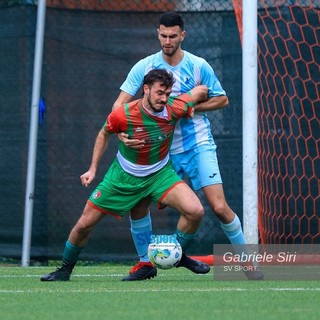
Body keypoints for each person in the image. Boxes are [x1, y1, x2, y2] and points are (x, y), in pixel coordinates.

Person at [114, 12, 263, 281]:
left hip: (198, 145)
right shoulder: (145, 66)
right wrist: (120, 133)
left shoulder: (198, 65)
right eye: (163, 35)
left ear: (182, 35)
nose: (167, 41)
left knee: (219, 207)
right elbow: (119, 105)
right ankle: (145, 264)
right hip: (162, 150)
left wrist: (191, 107)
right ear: (157, 33)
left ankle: (247, 264)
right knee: (138, 204)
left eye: (173, 36)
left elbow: (223, 100)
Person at [40, 69, 210, 282]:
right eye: (159, 93)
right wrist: (92, 169)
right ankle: (64, 270)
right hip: (122, 177)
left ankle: (175, 254)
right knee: (84, 224)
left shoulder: (174, 106)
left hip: (160, 174)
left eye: (167, 93)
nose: (164, 98)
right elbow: (104, 134)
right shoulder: (124, 114)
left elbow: (201, 90)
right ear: (146, 89)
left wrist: (196, 101)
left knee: (195, 211)